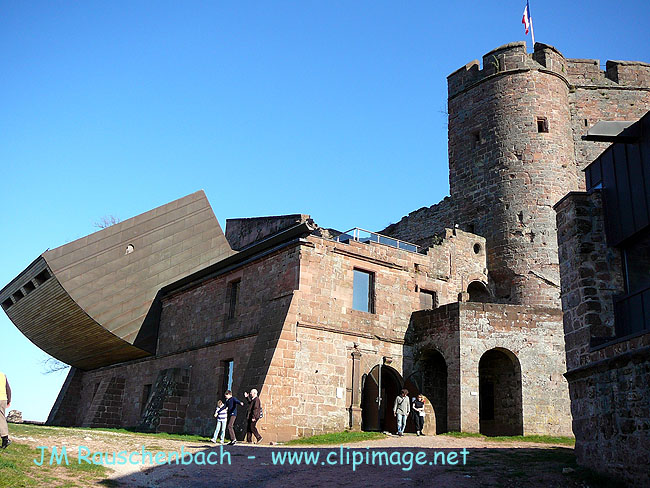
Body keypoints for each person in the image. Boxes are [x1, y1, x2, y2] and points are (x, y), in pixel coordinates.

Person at [0, 371, 12, 449]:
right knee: (1, 418)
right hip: (3, 399)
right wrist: (9, 400)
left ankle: (5, 438)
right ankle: (5, 438)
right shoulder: (3, 375)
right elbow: (8, 388)